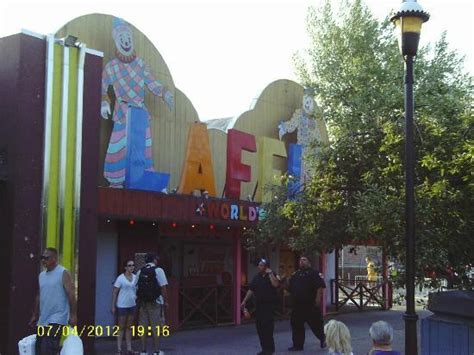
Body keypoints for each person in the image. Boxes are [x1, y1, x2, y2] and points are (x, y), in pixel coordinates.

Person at [29, 247, 77, 355]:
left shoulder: (63, 273)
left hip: (57, 318)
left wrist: (73, 315)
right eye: (42, 258)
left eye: (46, 258)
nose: (43, 260)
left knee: (48, 349)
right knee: (39, 349)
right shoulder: (41, 276)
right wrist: (35, 315)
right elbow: (39, 296)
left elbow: (71, 294)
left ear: (54, 259)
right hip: (43, 319)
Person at [241, 258, 280, 355]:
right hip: (259, 306)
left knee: (268, 328)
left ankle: (270, 349)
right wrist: (244, 300)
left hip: (269, 306)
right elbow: (251, 289)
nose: (259, 267)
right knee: (260, 328)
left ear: (266, 266)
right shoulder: (257, 277)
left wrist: (270, 273)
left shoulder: (273, 274)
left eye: (261, 265)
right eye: (259, 265)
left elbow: (275, 284)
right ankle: (264, 349)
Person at [287, 255, 326, 351]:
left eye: (304, 260)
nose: (301, 261)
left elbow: (319, 286)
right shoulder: (295, 274)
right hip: (297, 305)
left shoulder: (314, 273)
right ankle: (298, 345)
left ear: (309, 262)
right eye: (300, 260)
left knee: (316, 324)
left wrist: (317, 299)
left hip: (310, 304)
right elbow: (290, 287)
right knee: (296, 325)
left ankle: (323, 339)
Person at [136, 253, 168, 355]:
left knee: (143, 327)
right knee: (156, 327)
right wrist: (166, 301)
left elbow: (135, 287)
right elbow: (163, 287)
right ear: (154, 260)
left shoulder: (140, 271)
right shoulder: (159, 270)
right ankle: (156, 351)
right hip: (155, 302)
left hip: (143, 303)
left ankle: (143, 351)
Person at [112, 260, 138, 354]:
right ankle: (119, 349)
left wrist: (136, 296)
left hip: (132, 304)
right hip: (122, 305)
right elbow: (115, 292)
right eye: (129, 265)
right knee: (121, 327)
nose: (132, 267)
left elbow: (137, 289)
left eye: (133, 265)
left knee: (129, 327)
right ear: (125, 267)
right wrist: (113, 306)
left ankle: (129, 348)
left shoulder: (135, 277)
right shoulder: (120, 278)